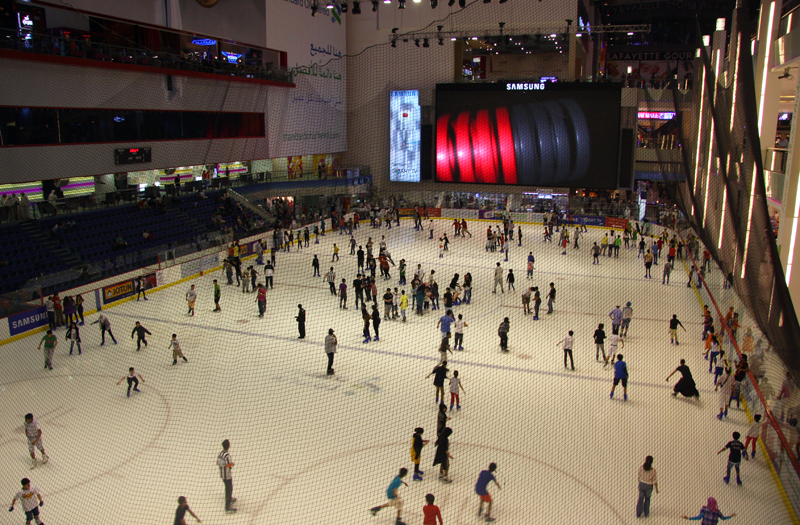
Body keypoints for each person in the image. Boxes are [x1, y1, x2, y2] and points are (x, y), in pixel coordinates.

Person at [217, 439, 237, 512]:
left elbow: (218, 463)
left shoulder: (220, 454)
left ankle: (229, 498)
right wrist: (231, 464)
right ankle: (227, 506)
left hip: (222, 475)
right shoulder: (227, 456)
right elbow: (228, 466)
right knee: (229, 489)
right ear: (228, 446)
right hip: (227, 475)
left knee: (227, 487)